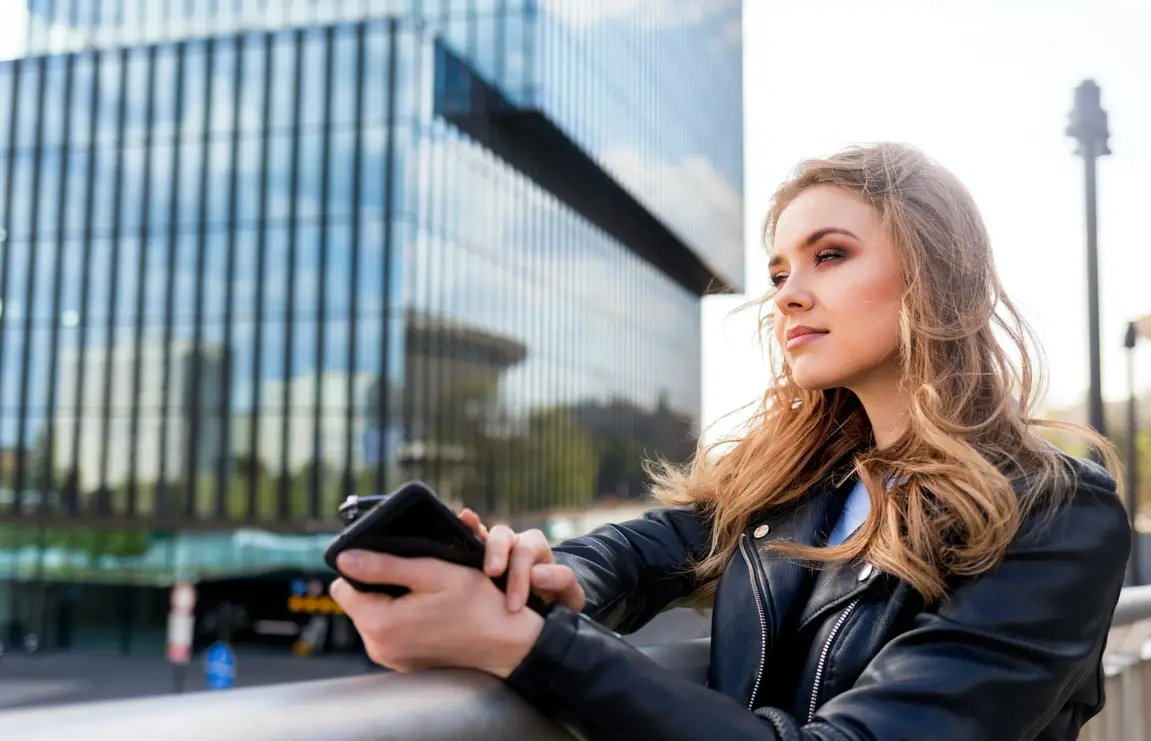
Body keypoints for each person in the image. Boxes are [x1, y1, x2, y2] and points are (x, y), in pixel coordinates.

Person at [329, 142, 1132, 740]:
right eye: (778, 271)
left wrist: (530, 645)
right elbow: (637, 550)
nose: (788, 295)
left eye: (829, 254)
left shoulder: (1056, 512)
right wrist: (540, 576)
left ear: (934, 272)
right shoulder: (789, 490)